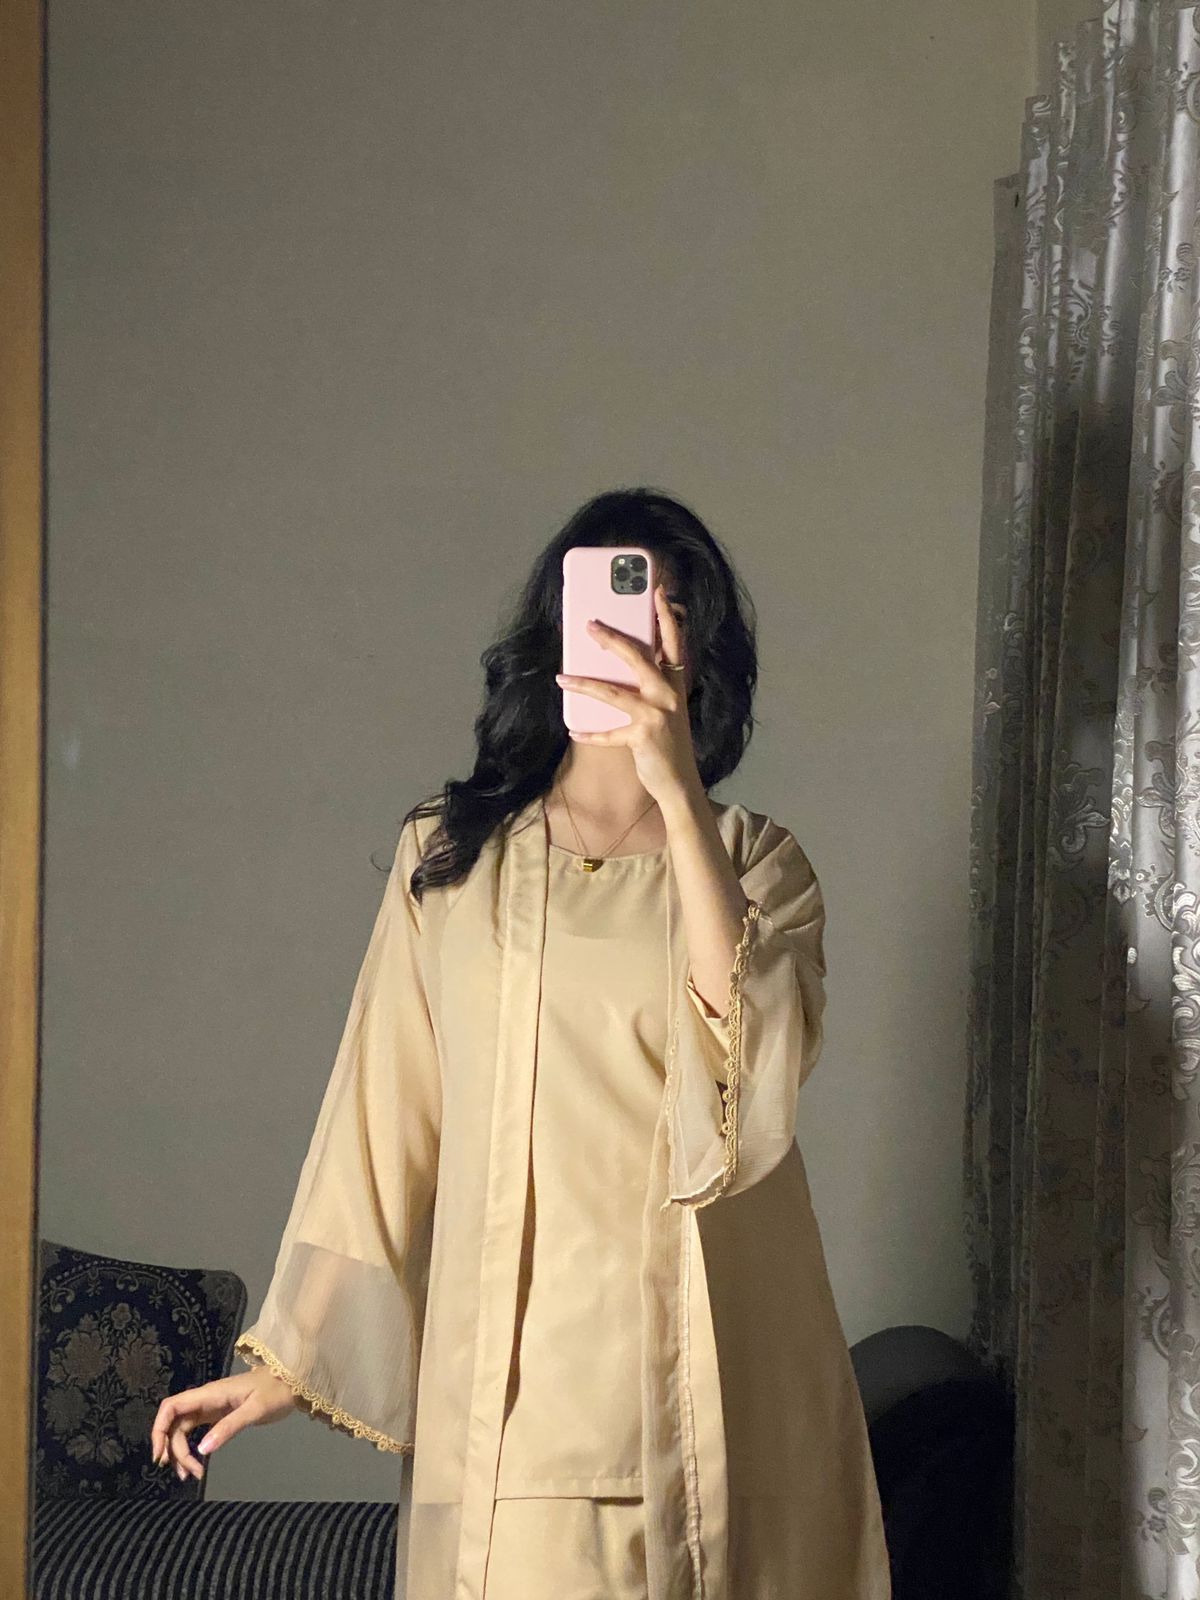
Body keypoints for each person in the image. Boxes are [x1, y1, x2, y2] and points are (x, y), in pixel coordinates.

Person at [149, 487, 892, 1599]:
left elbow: (755, 1071)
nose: (642, 639)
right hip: (511, 1402)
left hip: (717, 1391)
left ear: (701, 652)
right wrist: (291, 1359)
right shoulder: (451, 861)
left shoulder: (758, 865)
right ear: (559, 636)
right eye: (617, 609)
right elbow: (383, 1117)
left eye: (670, 615)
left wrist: (675, 786)